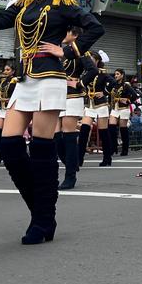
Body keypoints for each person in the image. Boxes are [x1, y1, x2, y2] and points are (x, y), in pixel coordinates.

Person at [0, 0, 104, 245]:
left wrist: (69, 50)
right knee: (8, 143)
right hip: (24, 80)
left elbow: (96, 28)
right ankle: (42, 211)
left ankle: (42, 219)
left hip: (50, 79)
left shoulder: (64, 4)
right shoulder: (23, 4)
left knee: (41, 147)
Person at [57, 28, 88, 190]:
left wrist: (78, 83)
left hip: (73, 97)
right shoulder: (59, 49)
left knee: (68, 136)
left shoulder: (81, 51)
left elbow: (93, 70)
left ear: (74, 35)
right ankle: (72, 162)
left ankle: (70, 176)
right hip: (56, 95)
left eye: (66, 31)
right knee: (55, 137)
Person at [81, 52, 115, 167]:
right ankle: (79, 158)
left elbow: (114, 83)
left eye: (91, 59)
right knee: (84, 130)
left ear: (96, 61)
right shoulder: (86, 72)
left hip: (101, 105)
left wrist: (104, 92)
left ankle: (107, 158)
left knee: (103, 132)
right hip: (90, 105)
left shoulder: (102, 73)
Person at [109, 69, 137, 158]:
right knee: (111, 127)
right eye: (115, 74)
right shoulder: (113, 84)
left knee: (123, 129)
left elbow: (135, 96)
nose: (115, 75)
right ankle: (113, 147)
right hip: (114, 108)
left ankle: (125, 149)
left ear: (122, 75)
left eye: (117, 74)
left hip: (124, 108)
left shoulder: (126, 85)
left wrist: (128, 101)